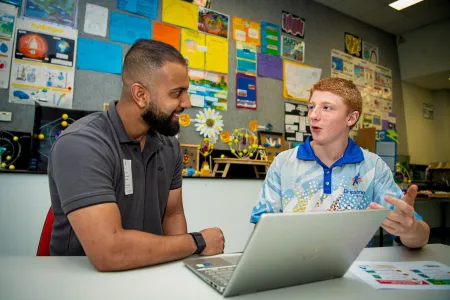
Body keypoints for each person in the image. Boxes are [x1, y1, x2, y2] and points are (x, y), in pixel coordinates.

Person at [48, 40, 224, 271]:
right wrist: (197, 242)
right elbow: (109, 252)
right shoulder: (81, 144)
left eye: (186, 91)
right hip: (81, 281)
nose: (187, 103)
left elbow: (172, 214)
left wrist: (180, 274)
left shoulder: (169, 146)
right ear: (140, 94)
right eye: (177, 93)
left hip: (148, 272)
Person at [250, 77, 430, 249]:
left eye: (326, 107)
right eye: (311, 106)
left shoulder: (373, 166)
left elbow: (420, 237)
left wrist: (411, 229)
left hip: (354, 269)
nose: (313, 115)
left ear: (351, 118)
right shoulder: (283, 162)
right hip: (293, 268)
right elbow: (261, 226)